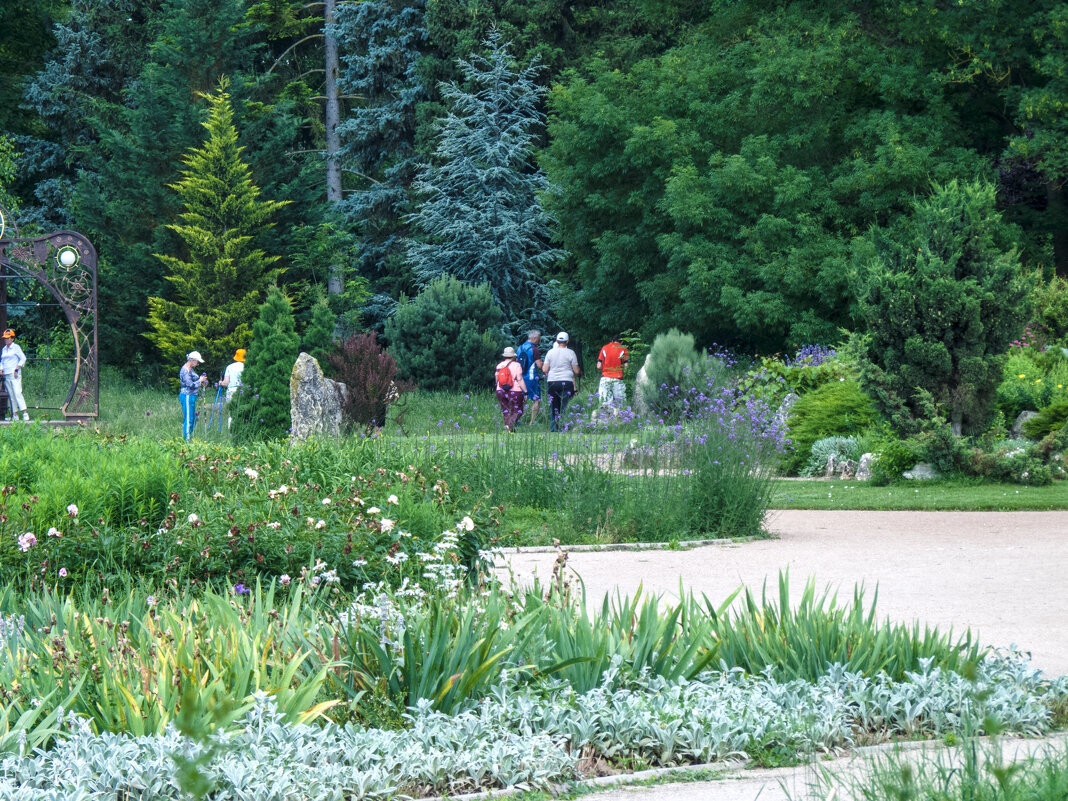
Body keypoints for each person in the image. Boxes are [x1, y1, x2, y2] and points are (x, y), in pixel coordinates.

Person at [543, 331, 580, 432]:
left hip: (552, 382)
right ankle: (565, 427)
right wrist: (579, 373)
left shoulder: (550, 352)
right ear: (567, 341)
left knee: (554, 406)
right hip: (566, 381)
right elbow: (576, 371)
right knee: (565, 406)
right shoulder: (571, 353)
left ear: (556, 341)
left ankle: (554, 428)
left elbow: (545, 369)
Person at [494, 346, 526, 432]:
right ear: (513, 356)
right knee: (518, 410)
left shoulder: (499, 365)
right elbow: (519, 379)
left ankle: (508, 427)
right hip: (515, 390)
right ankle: (510, 426)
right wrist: (525, 392)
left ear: (504, 356)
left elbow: (497, 378)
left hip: (500, 390)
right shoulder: (517, 365)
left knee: (505, 409)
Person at [0, 329, 30, 422]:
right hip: (7, 374)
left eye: (8, 338)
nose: (6, 340)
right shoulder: (4, 349)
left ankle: (24, 412)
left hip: (15, 373)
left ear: (12, 338)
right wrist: (1, 369)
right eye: (5, 338)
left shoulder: (16, 347)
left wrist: (17, 368)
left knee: (17, 392)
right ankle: (15, 414)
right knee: (11, 395)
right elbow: (2, 361)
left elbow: (23, 358)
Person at [179, 351, 208, 441]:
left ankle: (189, 438)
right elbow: (190, 385)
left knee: (192, 419)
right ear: (192, 360)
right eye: (197, 362)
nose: (198, 364)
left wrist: (203, 381)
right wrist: (200, 380)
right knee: (188, 419)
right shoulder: (185, 370)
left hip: (191, 396)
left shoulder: (190, 370)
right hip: (187, 396)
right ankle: (187, 441)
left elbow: (195, 382)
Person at [516, 330, 543, 425]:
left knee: (523, 399)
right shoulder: (534, 349)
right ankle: (532, 422)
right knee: (536, 399)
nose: (539, 340)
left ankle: (516, 420)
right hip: (532, 377)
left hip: (520, 378)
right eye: (539, 338)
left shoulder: (520, 348)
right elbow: (539, 365)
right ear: (535, 338)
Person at [596, 336, 629, 407]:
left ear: (612, 340)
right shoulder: (623, 349)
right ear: (622, 342)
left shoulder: (604, 348)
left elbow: (598, 366)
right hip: (618, 379)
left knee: (605, 405)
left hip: (605, 379)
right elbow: (626, 366)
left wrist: (606, 368)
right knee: (620, 405)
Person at [220, 348, 245, 428]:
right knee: (242, 413)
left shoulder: (229, 367)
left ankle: (231, 434)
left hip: (231, 391)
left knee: (231, 414)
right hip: (242, 391)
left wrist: (221, 383)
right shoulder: (247, 367)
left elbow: (226, 383)